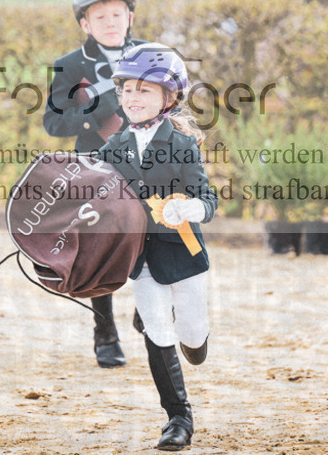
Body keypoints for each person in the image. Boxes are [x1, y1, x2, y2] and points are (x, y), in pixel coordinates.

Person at [94, 42, 218, 450]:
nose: (132, 97)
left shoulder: (182, 144)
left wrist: (191, 208)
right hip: (141, 260)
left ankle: (195, 341)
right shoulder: (112, 149)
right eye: (127, 89)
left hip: (184, 257)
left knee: (191, 332)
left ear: (169, 98)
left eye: (143, 90)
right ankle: (178, 417)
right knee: (156, 332)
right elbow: (102, 202)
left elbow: (208, 197)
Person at [43, 0, 145, 369]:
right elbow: (54, 123)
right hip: (96, 167)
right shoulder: (69, 66)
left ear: (130, 16)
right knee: (102, 247)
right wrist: (96, 106)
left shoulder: (150, 54)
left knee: (152, 238)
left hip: (146, 164)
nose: (110, 23)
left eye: (117, 14)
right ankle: (105, 332)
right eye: (100, 17)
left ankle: (148, 309)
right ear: (85, 23)